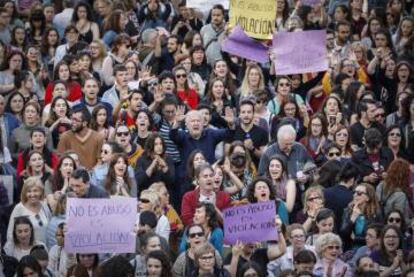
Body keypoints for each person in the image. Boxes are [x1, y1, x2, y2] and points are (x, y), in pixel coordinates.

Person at [7, 177, 51, 244]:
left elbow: (50, 228)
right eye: (29, 191)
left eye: (35, 191)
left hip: (44, 251)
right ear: (25, 193)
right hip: (26, 252)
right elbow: (10, 235)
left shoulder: (44, 205)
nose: (32, 194)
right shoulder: (19, 208)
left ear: (41, 192)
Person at [324, 161, 359, 229]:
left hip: (326, 230)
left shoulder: (325, 192)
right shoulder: (352, 197)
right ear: (352, 179)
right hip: (343, 234)